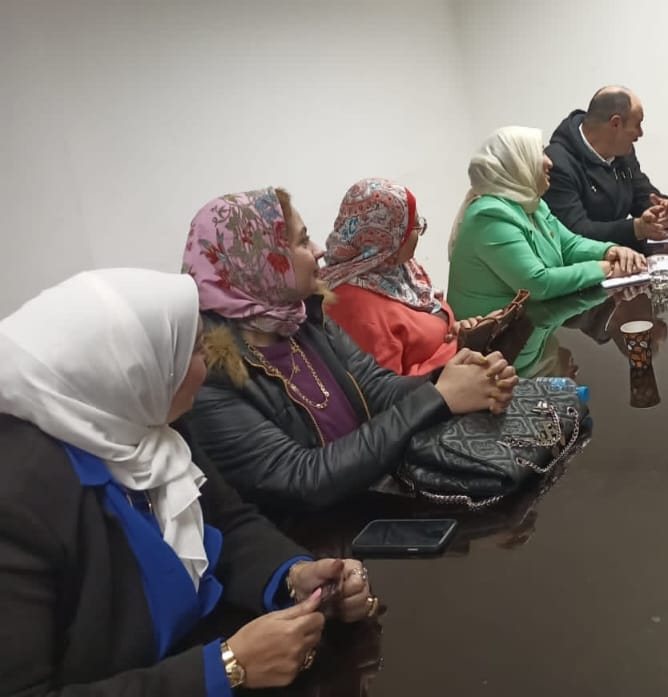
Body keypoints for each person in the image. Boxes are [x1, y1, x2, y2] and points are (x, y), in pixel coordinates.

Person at [0, 268, 381, 694]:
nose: (208, 367)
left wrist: (295, 576)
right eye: (195, 350)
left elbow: (228, 522)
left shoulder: (150, 428)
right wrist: (226, 667)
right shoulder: (17, 503)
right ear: (133, 368)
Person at [179, 187, 517, 511]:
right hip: (321, 537)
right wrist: (439, 397)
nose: (318, 250)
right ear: (261, 263)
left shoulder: (303, 320)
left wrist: (452, 378)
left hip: (373, 499)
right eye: (302, 241)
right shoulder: (210, 375)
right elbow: (304, 478)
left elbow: (377, 388)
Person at [448, 126, 648, 322]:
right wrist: (606, 268)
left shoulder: (532, 204)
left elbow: (569, 245)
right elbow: (537, 283)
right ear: (517, 163)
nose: (549, 162)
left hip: (531, 323)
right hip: (496, 339)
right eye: (540, 153)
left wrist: (610, 251)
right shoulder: (491, 216)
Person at [322, 177, 489, 377]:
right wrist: (455, 353)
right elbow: (390, 388)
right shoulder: (354, 307)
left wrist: (459, 333)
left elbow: (430, 323)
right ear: (388, 236)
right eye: (414, 226)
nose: (419, 232)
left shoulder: (397, 268)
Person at [544, 85, 668, 247]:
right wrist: (636, 229)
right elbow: (575, 232)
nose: (640, 133)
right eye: (637, 124)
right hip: (589, 260)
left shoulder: (623, 153)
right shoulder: (557, 164)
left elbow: (644, 197)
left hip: (627, 256)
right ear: (616, 123)